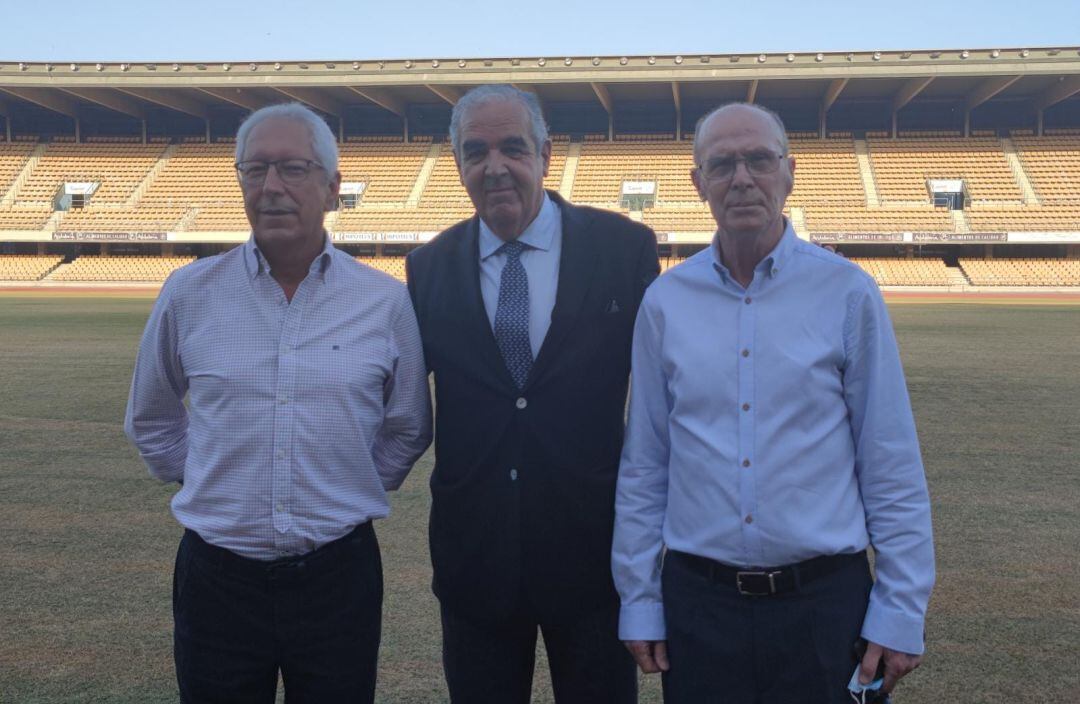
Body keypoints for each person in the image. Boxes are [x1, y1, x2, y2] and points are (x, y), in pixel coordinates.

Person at [612, 102, 935, 704]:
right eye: (723, 163)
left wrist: (900, 609)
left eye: (759, 160)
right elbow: (646, 464)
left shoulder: (847, 292)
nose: (742, 178)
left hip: (825, 606)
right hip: (699, 607)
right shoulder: (665, 302)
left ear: (789, 172)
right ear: (697, 181)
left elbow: (888, 458)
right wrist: (640, 598)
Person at [124, 102, 432, 704]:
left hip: (338, 578)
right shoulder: (190, 292)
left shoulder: (384, 302)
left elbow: (408, 426)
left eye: (292, 168)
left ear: (332, 186)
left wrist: (343, 483)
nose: (271, 188)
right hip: (217, 579)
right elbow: (152, 416)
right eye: (255, 169)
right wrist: (212, 478)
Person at [406, 85, 659, 703]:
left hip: (595, 557)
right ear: (458, 162)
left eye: (513, 148)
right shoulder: (427, 267)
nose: (495, 167)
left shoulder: (623, 249)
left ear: (545, 153)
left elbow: (660, 401)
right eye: (476, 151)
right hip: (476, 560)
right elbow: (406, 408)